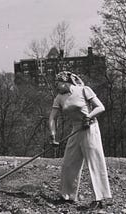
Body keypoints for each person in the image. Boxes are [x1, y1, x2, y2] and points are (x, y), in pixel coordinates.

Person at [49, 71, 112, 210]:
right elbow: (52, 118)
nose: (56, 87)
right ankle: (68, 195)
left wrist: (88, 117)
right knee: (68, 163)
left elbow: (100, 107)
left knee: (94, 162)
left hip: (90, 128)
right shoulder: (59, 98)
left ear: (65, 81)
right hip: (76, 129)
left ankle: (100, 198)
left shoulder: (84, 90)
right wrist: (53, 136)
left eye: (57, 83)